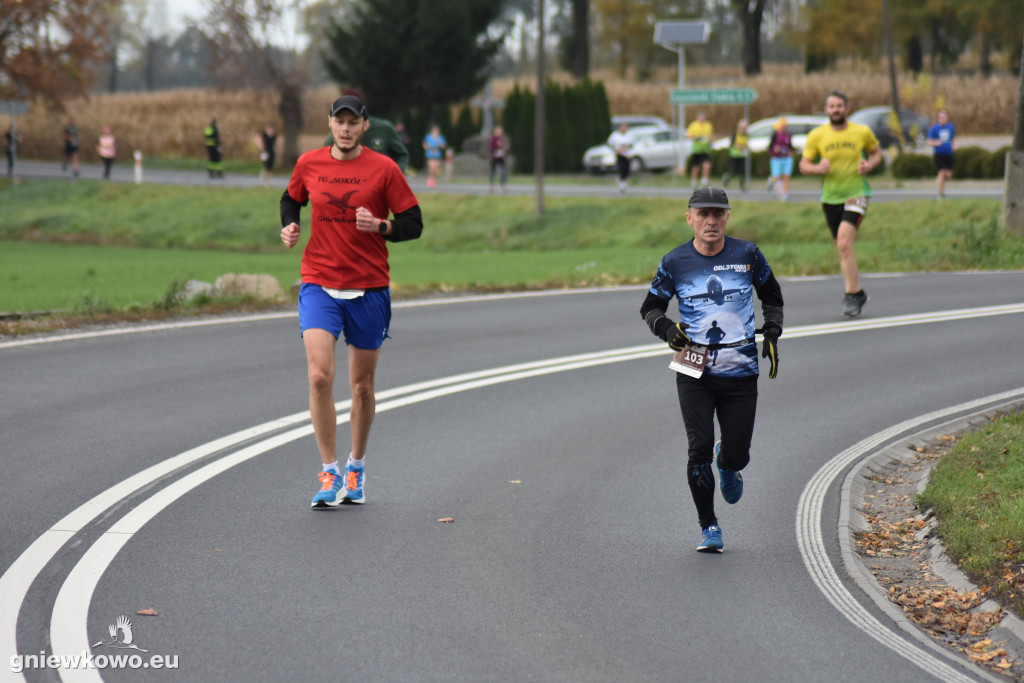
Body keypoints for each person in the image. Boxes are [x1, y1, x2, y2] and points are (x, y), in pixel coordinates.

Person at [279, 94, 423, 509]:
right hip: (319, 282)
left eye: (352, 122)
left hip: (369, 286)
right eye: (338, 122)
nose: (344, 129)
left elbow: (413, 223)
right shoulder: (309, 163)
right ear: (329, 124)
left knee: (361, 387)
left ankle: (356, 467)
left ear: (364, 126)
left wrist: (381, 226)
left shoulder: (384, 169)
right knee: (320, 376)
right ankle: (329, 470)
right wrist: (290, 224)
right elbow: (292, 198)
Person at [640, 186, 783, 553]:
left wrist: (772, 330)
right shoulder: (674, 262)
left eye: (718, 213)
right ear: (689, 217)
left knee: (737, 455)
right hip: (693, 367)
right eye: (703, 213)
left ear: (727, 217)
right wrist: (667, 330)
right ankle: (709, 526)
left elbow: (772, 295)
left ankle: (728, 461)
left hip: (740, 369)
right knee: (698, 447)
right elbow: (651, 307)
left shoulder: (747, 254)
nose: (710, 221)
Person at [800, 90, 882, 318]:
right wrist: (817, 168)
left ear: (847, 108)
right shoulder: (817, 135)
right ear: (826, 110)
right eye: (831, 106)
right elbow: (803, 164)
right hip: (830, 197)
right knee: (842, 246)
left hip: (857, 193)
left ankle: (850, 296)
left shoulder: (861, 132)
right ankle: (857, 292)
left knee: (845, 243)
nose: (836, 110)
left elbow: (877, 153)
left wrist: (869, 165)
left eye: (839, 106)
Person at [321, 89, 409, 173]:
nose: (346, 128)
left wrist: (394, 175)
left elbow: (401, 155)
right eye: (341, 121)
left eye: (353, 122)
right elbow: (325, 157)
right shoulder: (338, 134)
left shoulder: (384, 128)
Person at [927, 108, 956, 200]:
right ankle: (940, 194)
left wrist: (955, 144)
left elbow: (953, 137)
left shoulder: (950, 127)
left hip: (949, 153)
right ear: (938, 118)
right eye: (940, 117)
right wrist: (936, 142)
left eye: (944, 117)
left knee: (948, 175)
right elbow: (928, 141)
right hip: (939, 154)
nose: (942, 119)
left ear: (946, 118)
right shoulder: (934, 129)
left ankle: (940, 185)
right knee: (942, 173)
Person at [766, 118, 796, 201]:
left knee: (786, 176)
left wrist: (792, 151)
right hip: (776, 159)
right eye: (782, 126)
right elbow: (769, 147)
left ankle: (783, 194)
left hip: (787, 159)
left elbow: (790, 146)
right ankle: (771, 180)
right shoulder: (775, 135)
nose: (784, 127)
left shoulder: (788, 135)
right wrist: (775, 149)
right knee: (777, 177)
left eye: (785, 126)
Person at [686, 111, 713, 189]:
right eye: (701, 118)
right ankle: (693, 182)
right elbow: (689, 136)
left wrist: (708, 140)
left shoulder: (708, 125)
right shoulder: (693, 125)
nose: (702, 119)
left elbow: (709, 136)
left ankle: (704, 181)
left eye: (703, 118)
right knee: (695, 167)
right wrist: (697, 138)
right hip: (696, 149)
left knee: (707, 165)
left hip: (705, 149)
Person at [722, 120, 748, 191]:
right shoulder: (735, 134)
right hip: (734, 155)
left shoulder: (746, 135)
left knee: (743, 170)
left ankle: (742, 185)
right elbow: (731, 144)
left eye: (744, 128)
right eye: (742, 128)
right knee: (734, 171)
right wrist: (738, 146)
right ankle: (727, 178)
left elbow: (746, 144)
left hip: (742, 155)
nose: (743, 130)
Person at [608, 121, 632, 193]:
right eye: (623, 127)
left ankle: (624, 183)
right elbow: (610, 144)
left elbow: (631, 145)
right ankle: (621, 184)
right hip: (620, 155)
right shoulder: (615, 135)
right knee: (621, 169)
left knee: (627, 170)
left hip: (627, 155)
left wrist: (625, 148)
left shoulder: (629, 135)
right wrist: (616, 149)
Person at [489, 124, 509, 194]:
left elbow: (505, 147)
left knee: (503, 171)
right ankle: (491, 185)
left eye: (500, 131)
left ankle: (503, 185)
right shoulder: (493, 139)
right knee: (493, 172)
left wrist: (503, 148)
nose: (499, 133)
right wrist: (497, 147)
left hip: (501, 157)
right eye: (498, 131)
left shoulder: (502, 139)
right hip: (495, 157)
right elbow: (491, 148)